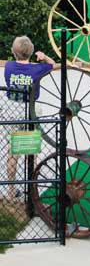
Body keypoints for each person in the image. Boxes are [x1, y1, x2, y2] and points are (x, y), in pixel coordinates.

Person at [3, 36, 55, 198]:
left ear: (14, 51)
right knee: (31, 153)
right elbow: (52, 64)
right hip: (30, 111)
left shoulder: (9, 66)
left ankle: (11, 191)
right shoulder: (37, 69)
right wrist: (44, 57)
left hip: (13, 111)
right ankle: (32, 189)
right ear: (31, 52)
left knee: (12, 153)